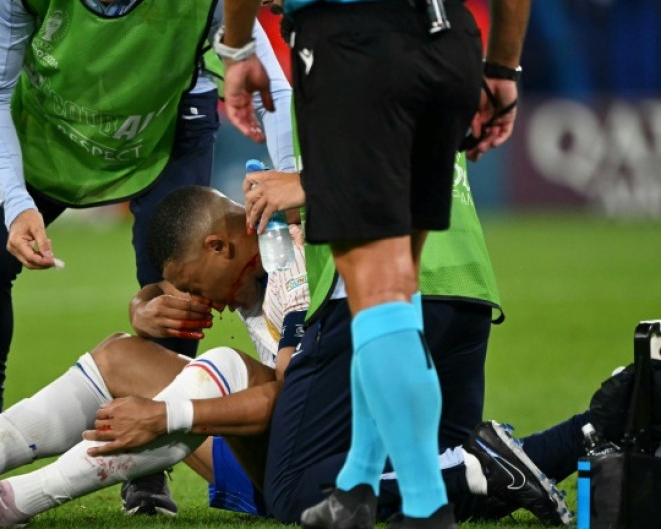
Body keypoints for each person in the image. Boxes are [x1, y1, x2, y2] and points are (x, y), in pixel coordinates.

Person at [0, 187, 579, 529]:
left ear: (222, 244)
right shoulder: (257, 275)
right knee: (125, 353)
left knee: (223, 378)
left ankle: (10, 503)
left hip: (329, 451)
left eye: (188, 282)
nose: (193, 302)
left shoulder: (283, 267)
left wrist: (168, 415)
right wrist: (147, 314)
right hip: (357, 410)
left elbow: (287, 396)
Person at [0, 0, 293, 512]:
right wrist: (17, 204)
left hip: (162, 127)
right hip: (51, 131)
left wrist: (292, 180)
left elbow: (271, 85)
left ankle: (149, 466)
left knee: (177, 288)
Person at [218, 0, 531, 527]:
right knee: (396, 289)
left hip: (353, 43)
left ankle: (427, 507)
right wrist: (502, 67)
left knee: (378, 291)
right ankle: (357, 485)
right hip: (450, 41)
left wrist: (238, 46)